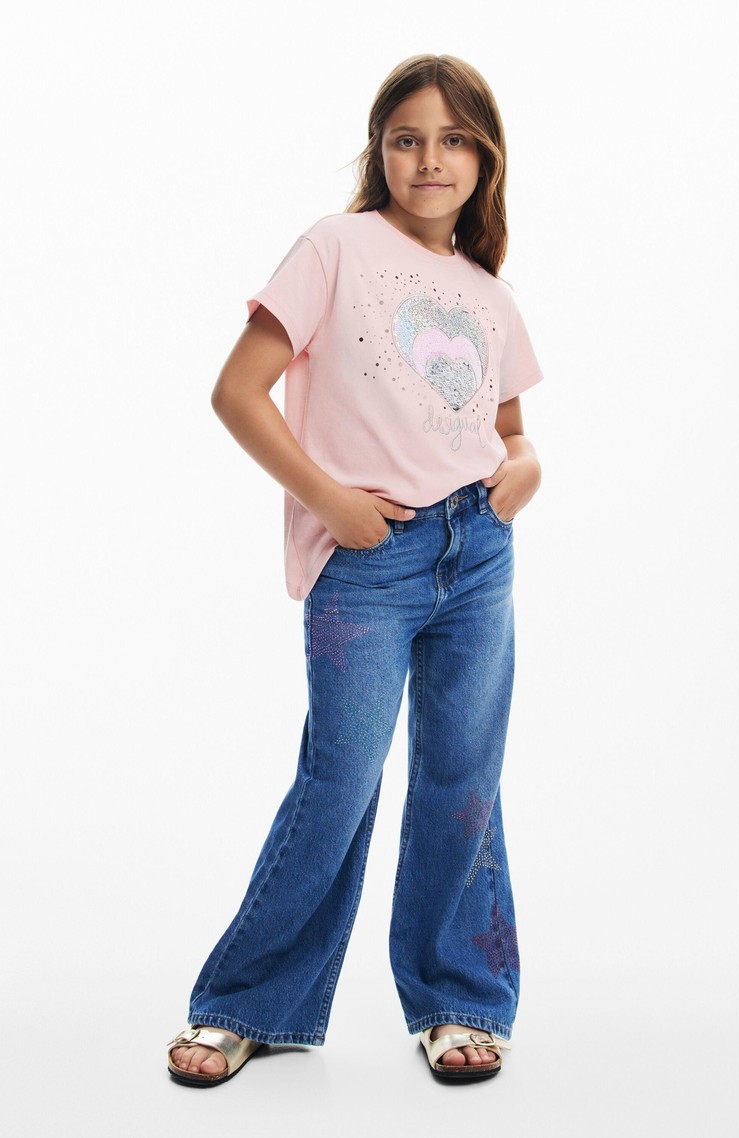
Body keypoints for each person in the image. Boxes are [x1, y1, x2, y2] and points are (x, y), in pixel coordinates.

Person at [167, 52, 544, 1086]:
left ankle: (459, 1000)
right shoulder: (334, 248)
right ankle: (249, 1004)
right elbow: (237, 391)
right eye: (407, 138)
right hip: (371, 559)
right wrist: (331, 500)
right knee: (339, 779)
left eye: (454, 140)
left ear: (486, 158)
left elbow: (511, 431)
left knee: (463, 779)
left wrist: (526, 468)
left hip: (479, 553)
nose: (430, 159)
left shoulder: (489, 294)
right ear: (379, 151)